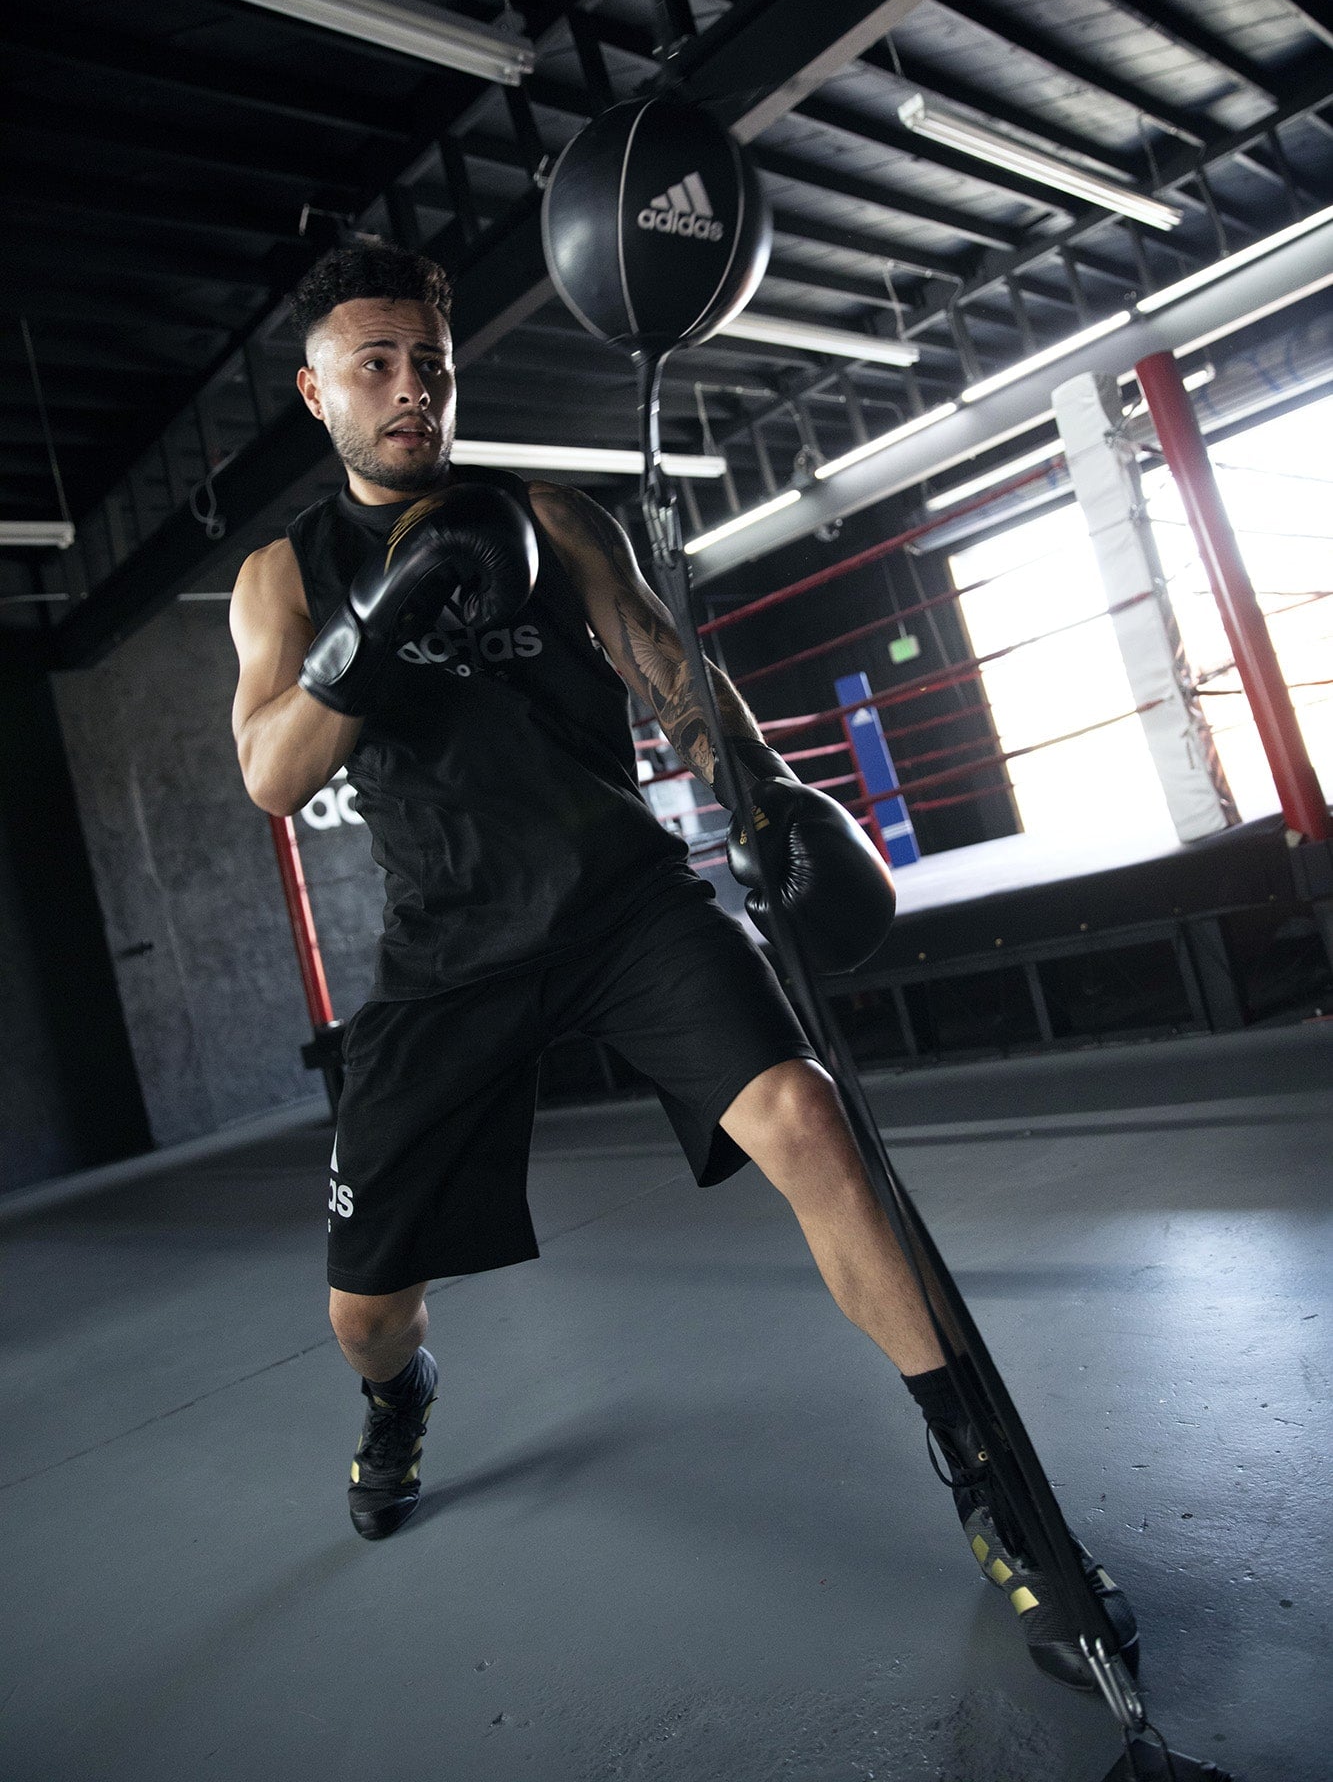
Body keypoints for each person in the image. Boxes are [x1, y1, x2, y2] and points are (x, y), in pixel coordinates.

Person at [229, 242, 1134, 1691]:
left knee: (808, 1120)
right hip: (443, 954)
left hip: (622, 905)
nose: (412, 391)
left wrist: (761, 790)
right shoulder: (284, 575)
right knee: (361, 1305)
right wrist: (383, 617)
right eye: (377, 366)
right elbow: (272, 774)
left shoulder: (544, 512)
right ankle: (400, 1399)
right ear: (315, 388)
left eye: (431, 364)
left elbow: (667, 671)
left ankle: (996, 1492)